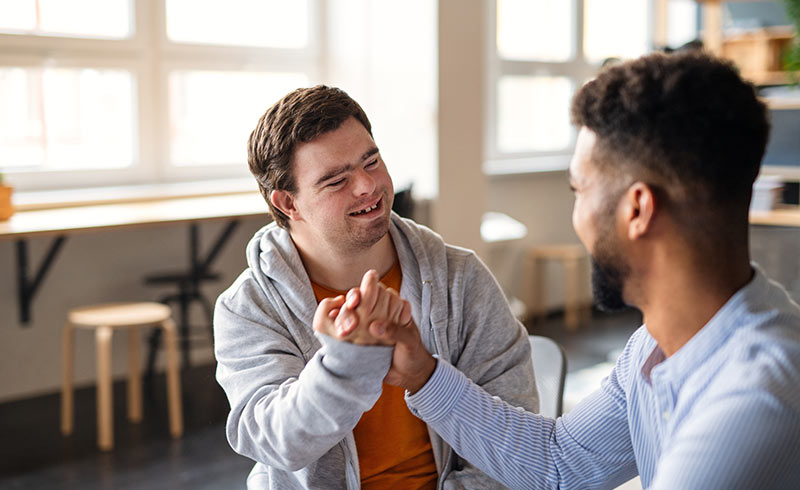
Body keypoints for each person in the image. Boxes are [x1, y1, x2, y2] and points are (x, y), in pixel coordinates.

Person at [325, 52, 800, 489]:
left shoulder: (756, 398)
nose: (577, 215)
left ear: (637, 210)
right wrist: (423, 373)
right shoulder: (659, 345)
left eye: (578, 190)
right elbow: (560, 462)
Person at [213, 85, 537, 489]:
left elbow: (515, 439)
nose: (367, 186)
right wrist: (345, 365)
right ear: (288, 204)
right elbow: (276, 442)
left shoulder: (461, 278)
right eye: (336, 180)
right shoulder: (249, 306)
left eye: (372, 161)